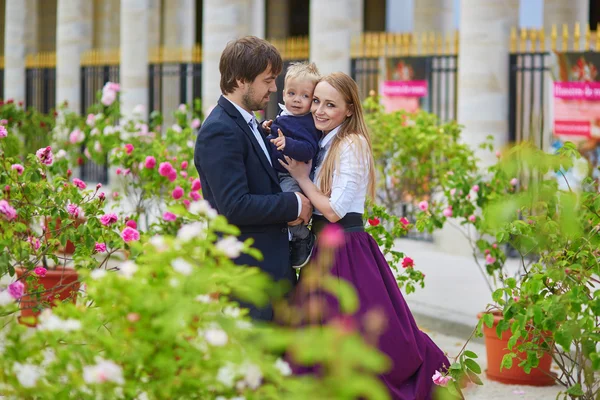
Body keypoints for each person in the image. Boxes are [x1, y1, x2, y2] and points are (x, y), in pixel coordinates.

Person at [279, 72, 450, 399]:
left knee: (366, 339)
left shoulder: (351, 143)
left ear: (348, 109)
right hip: (327, 249)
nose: (320, 110)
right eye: (316, 101)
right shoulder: (325, 141)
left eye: (331, 104)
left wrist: (301, 178)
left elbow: (334, 210)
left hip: (347, 251)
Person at [194, 36, 312, 321]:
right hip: (247, 278)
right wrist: (294, 204)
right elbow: (235, 206)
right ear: (241, 80)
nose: (274, 87)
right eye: (268, 80)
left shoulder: (251, 123)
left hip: (271, 273)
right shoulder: (220, 130)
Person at [264, 61, 322, 269]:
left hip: (290, 176)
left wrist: (288, 144)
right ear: (283, 93)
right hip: (277, 172)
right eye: (292, 93)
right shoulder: (285, 116)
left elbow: (309, 149)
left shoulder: (306, 122)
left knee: (289, 210)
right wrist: (267, 130)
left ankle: (302, 237)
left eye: (305, 96)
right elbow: (276, 136)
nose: (297, 100)